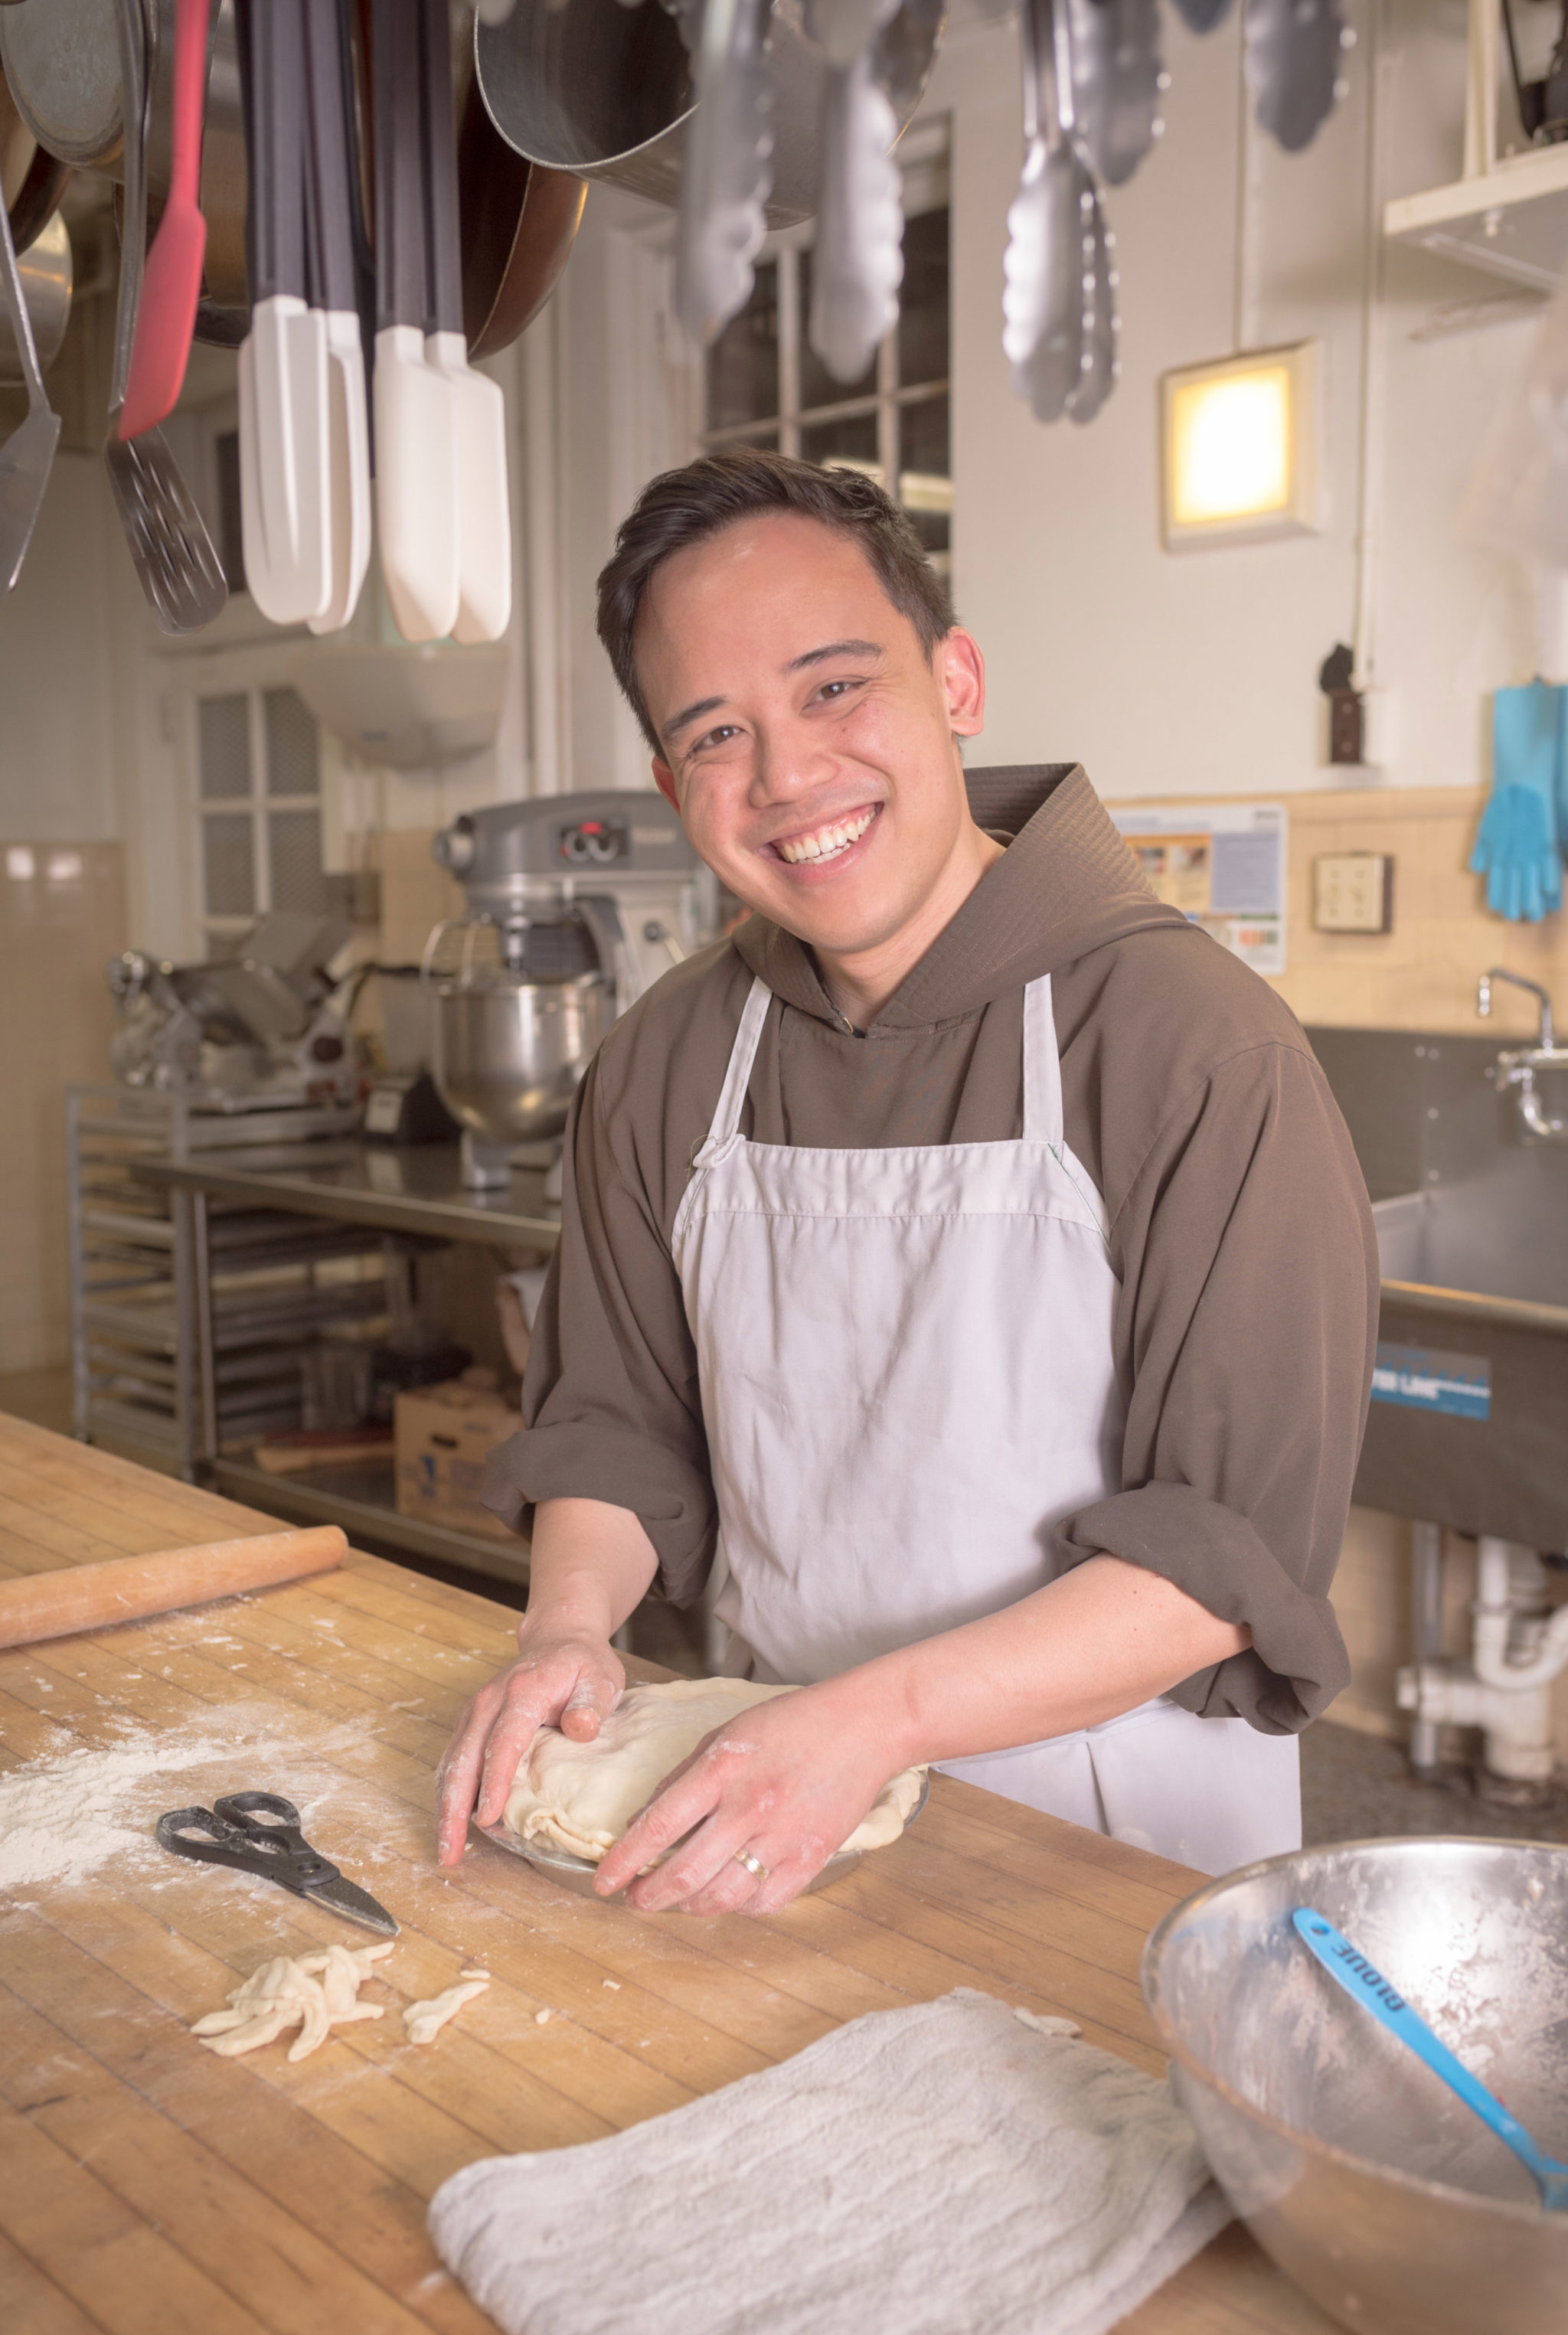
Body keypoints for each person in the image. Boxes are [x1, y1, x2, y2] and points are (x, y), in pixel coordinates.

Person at [435, 450, 1377, 1911]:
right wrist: (565, 1628)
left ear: (956, 681)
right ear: (674, 787)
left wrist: (871, 1724)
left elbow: (1225, 1554)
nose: (787, 776)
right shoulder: (666, 1060)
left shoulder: (1196, 1048)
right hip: (762, 1792)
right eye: (716, 734)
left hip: (1114, 1829)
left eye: (833, 687)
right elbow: (612, 1429)